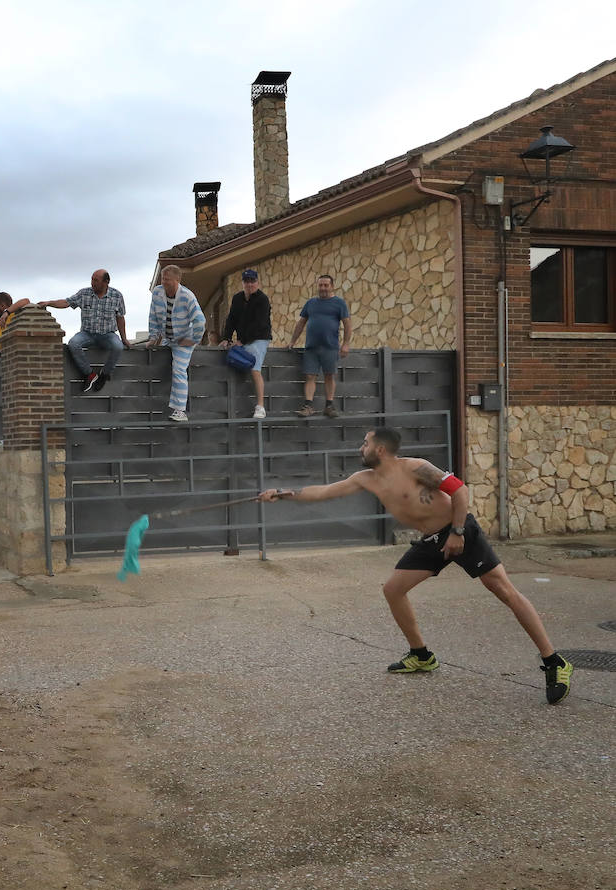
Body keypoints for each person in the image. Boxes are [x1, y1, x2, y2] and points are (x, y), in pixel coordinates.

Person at [258, 427, 573, 705]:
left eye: (364, 443)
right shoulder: (365, 479)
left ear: (380, 449)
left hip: (460, 531)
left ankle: (554, 661)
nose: (360, 448)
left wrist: (458, 532)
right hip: (431, 541)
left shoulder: (417, 468)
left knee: (504, 591)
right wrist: (282, 494)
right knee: (393, 590)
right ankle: (421, 655)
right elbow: (323, 492)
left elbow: (460, 491)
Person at [36, 270, 130, 394]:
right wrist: (49, 303)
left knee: (118, 347)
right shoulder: (84, 293)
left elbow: (120, 317)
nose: (92, 283)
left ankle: (104, 374)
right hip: (87, 333)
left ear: (106, 282)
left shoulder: (117, 296)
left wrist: (124, 338)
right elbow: (66, 302)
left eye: (96, 280)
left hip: (108, 334)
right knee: (73, 343)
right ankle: (90, 374)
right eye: (92, 279)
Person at [144, 264, 206, 422]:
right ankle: (153, 405)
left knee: (178, 369)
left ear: (177, 280)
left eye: (168, 280)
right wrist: (153, 338)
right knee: (157, 365)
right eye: (163, 279)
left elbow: (200, 321)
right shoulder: (157, 292)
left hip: (184, 340)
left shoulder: (187, 296)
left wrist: (193, 340)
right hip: (166, 338)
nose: (164, 282)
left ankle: (180, 411)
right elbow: (153, 316)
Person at [289, 274, 352, 418]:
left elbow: (347, 324)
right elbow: (301, 323)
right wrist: (292, 341)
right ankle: (308, 406)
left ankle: (329, 406)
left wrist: (346, 344)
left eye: (326, 285)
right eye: (320, 285)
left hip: (330, 347)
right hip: (311, 347)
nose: (323, 288)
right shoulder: (311, 303)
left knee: (329, 376)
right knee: (310, 376)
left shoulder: (339, 303)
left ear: (332, 286)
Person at [219, 269, 274, 419]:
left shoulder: (262, 300)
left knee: (255, 369)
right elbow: (231, 320)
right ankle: (232, 405)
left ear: (257, 282)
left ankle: (260, 406)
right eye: (247, 281)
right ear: (242, 283)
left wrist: (242, 341)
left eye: (252, 281)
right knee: (234, 363)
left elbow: (260, 324)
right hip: (242, 340)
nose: (250, 284)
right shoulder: (237, 298)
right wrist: (227, 337)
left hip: (259, 338)